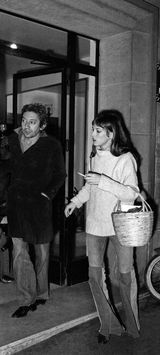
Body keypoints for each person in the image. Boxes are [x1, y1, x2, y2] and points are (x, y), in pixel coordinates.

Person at [65, 109, 140, 344]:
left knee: (125, 277)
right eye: (93, 129)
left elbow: (133, 194)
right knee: (95, 277)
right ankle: (107, 325)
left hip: (120, 223)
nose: (93, 134)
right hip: (95, 224)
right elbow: (91, 187)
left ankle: (132, 325)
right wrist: (75, 202)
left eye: (97, 130)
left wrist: (103, 181)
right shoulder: (93, 156)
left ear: (111, 133)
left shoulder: (126, 158)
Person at [6, 103, 66, 318]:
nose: (26, 126)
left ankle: (42, 293)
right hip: (16, 205)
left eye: (32, 122)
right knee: (19, 252)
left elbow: (60, 175)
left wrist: (46, 195)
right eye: (24, 121)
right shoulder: (13, 140)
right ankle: (26, 299)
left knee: (41, 253)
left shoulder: (51, 145)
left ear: (42, 125)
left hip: (39, 206)